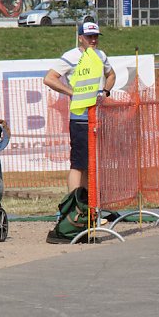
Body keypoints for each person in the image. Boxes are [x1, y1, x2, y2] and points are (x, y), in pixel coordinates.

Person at [43, 21, 115, 193]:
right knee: (79, 164)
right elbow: (49, 78)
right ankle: (74, 208)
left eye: (96, 36)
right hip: (80, 118)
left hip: (98, 116)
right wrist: (72, 92)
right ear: (80, 38)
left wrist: (105, 92)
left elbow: (111, 75)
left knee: (93, 163)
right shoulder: (70, 56)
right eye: (89, 36)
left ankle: (89, 208)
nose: (93, 40)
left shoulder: (101, 55)